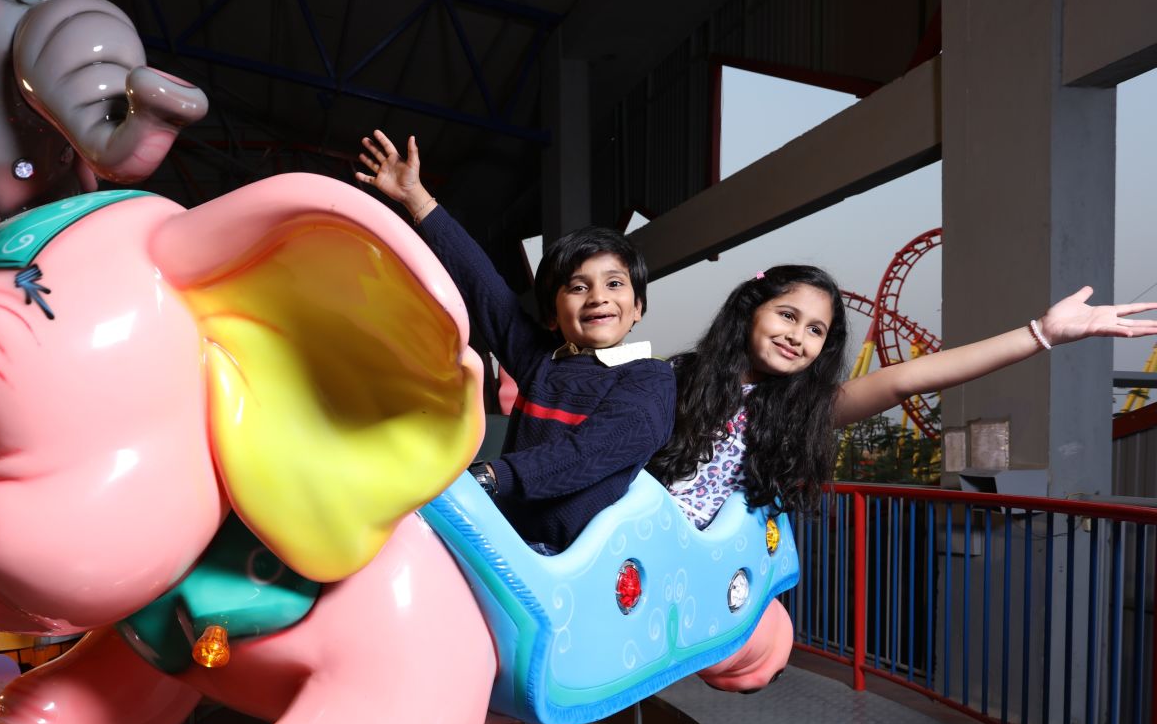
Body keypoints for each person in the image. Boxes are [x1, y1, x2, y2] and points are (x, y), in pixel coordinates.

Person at [357, 130, 675, 554]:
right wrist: (417, 199)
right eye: (577, 287)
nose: (598, 296)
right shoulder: (544, 362)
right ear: (552, 312)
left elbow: (590, 452)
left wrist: (491, 477)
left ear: (638, 307)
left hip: (573, 562)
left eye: (614, 284)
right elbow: (485, 288)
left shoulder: (650, 379)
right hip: (502, 541)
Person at [650, 264, 1157, 530]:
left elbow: (908, 378)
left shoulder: (801, 409)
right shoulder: (677, 377)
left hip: (715, 561)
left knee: (766, 651)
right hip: (639, 539)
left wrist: (1040, 334)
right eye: (787, 315)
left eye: (816, 330)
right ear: (750, 311)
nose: (797, 336)